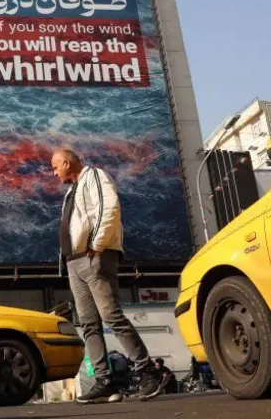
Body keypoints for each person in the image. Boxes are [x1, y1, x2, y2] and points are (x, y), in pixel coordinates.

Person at [50, 149, 164, 404]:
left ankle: (147, 373)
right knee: (88, 323)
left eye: (55, 166)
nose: (54, 172)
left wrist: (98, 245)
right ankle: (105, 383)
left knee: (111, 315)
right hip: (74, 262)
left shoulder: (94, 177)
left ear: (67, 163)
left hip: (95, 256)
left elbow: (109, 208)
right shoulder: (73, 189)